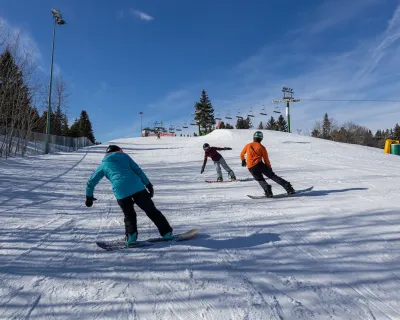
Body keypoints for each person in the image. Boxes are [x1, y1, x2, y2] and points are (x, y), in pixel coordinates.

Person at [85, 145, 173, 247]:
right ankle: (167, 233)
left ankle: (131, 238)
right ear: (119, 151)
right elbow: (138, 170)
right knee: (151, 210)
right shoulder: (125, 157)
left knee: (129, 214)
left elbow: (91, 181)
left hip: (121, 190)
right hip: (137, 187)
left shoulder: (103, 165)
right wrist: (148, 185)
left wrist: (89, 197)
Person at [240, 131, 295, 197]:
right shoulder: (262, 147)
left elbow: (242, 154)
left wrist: (243, 160)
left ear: (254, 137)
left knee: (260, 179)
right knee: (273, 176)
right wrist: (269, 168)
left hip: (251, 167)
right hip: (260, 164)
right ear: (261, 139)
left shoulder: (248, 145)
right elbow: (266, 159)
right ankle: (289, 188)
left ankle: (268, 192)